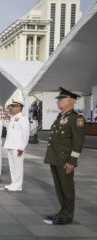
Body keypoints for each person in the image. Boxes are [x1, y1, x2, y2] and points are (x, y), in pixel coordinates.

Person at [45, 87, 85, 225]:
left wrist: (72, 161)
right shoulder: (61, 116)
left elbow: (78, 143)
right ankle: (62, 212)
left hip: (65, 160)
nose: (58, 102)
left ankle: (67, 215)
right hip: (55, 157)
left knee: (67, 188)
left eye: (61, 100)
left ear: (69, 101)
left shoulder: (76, 118)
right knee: (59, 186)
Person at [3, 99, 30, 191]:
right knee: (12, 166)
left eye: (13, 106)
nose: (11, 108)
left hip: (18, 146)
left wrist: (22, 147)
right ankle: (14, 183)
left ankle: (18, 185)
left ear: (19, 107)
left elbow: (26, 134)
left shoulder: (23, 118)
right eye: (11, 106)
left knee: (18, 166)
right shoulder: (13, 117)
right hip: (10, 145)